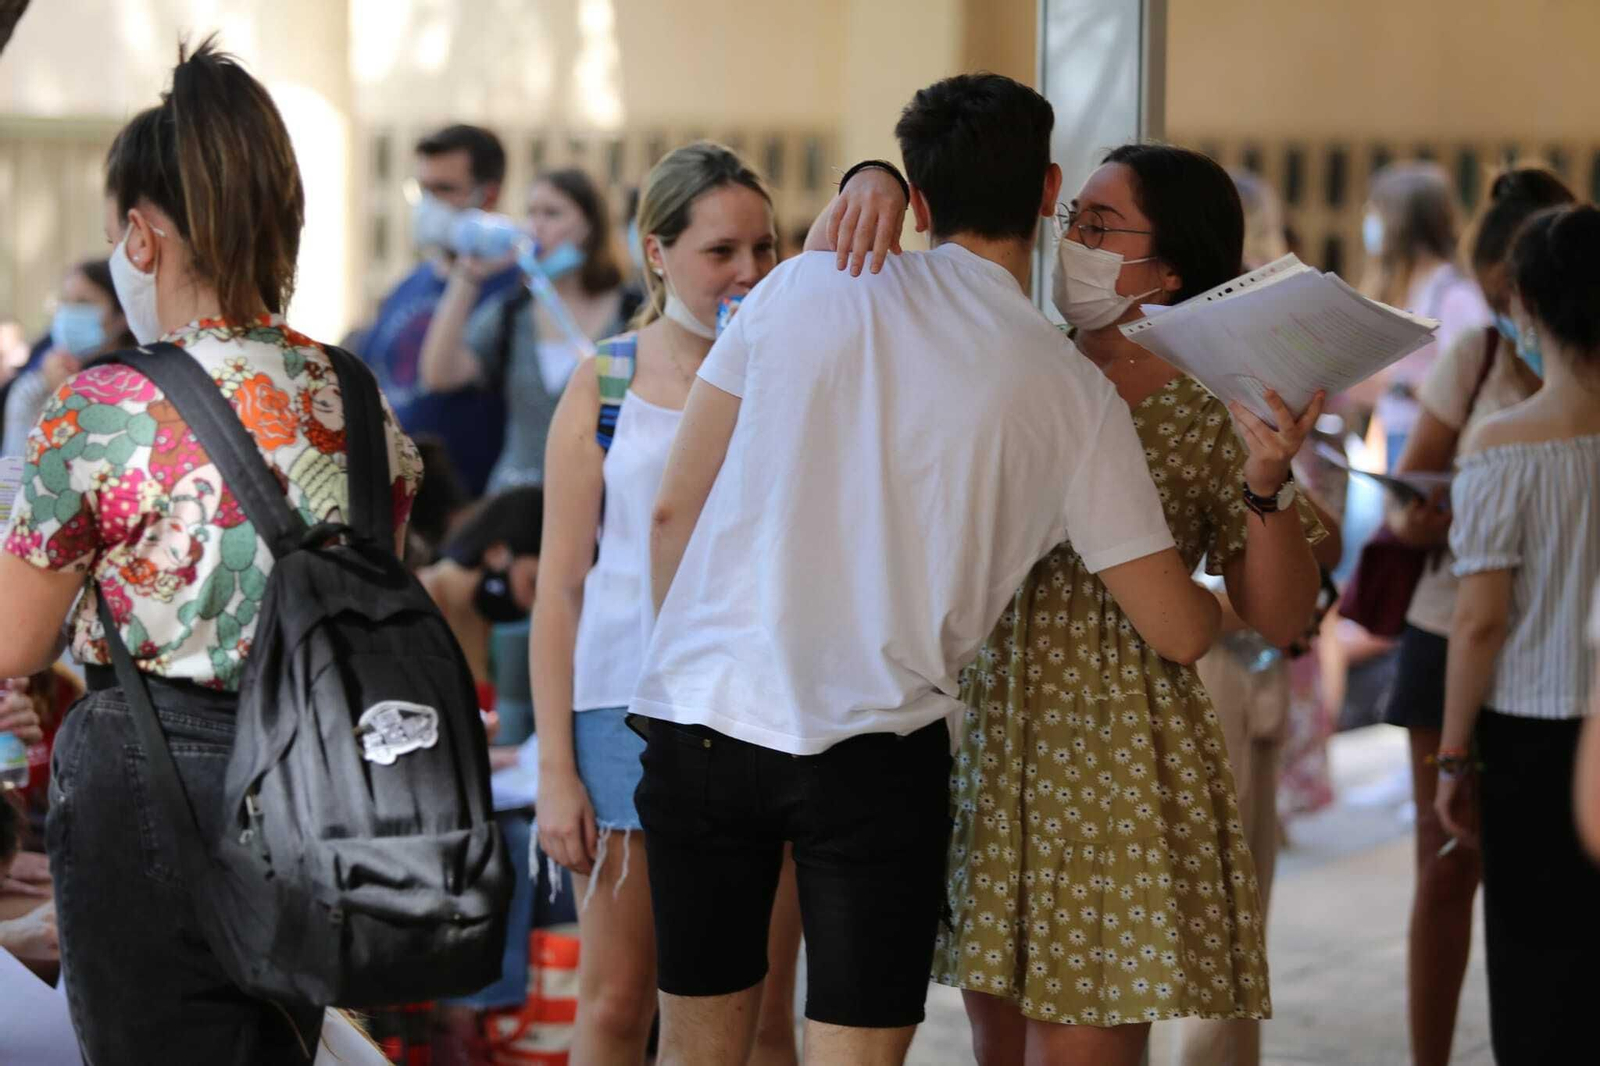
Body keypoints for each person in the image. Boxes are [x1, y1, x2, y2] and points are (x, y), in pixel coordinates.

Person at [633, 77, 1226, 1066]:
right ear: (1046, 189)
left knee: (695, 1049)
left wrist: (684, 665)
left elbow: (669, 509)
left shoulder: (796, 289)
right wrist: (1229, 597)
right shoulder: (1070, 392)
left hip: (704, 716)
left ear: (912, 195)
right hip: (879, 748)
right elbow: (1173, 627)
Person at [830, 143, 1326, 1065]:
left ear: (1170, 266)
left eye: (1101, 228)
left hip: (1125, 746)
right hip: (998, 722)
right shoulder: (1019, 365)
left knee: (1085, 1048)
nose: (1074, 246)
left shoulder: (1223, 399)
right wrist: (877, 178)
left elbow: (1282, 615)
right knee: (1001, 1045)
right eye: (1072, 223)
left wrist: (1266, 482)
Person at [0, 38, 423, 1062]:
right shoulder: (361, 405)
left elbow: (14, 642)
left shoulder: (103, 407)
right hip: (315, 790)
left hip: (143, 784)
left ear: (141, 236)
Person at [530, 142, 800, 1066]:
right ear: (657, 253)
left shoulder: (792, 380)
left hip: (769, 716)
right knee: (614, 1005)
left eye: (766, 248)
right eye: (722, 251)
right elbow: (560, 589)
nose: (751, 271)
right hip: (625, 717)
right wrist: (556, 770)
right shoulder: (606, 381)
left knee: (762, 1013)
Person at [1378, 166, 1572, 1066]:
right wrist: (1434, 510)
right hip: (1454, 622)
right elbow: (1406, 503)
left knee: (1540, 888)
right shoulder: (1479, 356)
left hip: (1546, 646)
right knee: (1447, 866)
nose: (1514, 315)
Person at [1435, 203, 1600, 1063]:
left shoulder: (1503, 446)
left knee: (1540, 973)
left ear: (1526, 304)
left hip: (1533, 742)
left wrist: (1454, 753)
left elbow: (1480, 618)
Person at [419, 168, 639, 494]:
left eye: (552, 213)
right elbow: (439, 374)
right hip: (514, 506)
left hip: (602, 500)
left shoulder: (631, 313)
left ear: (591, 227)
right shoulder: (514, 311)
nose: (535, 227)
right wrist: (468, 277)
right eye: (531, 213)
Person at [361, 124, 520, 496]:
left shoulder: (515, 290)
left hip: (467, 510)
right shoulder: (407, 286)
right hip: (396, 503)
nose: (429, 205)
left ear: (489, 195)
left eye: (444, 190)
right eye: (423, 189)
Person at [1362, 162, 1492, 469]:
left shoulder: (1455, 294)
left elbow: (1469, 379)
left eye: (1374, 212)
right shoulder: (1408, 286)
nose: (1367, 222)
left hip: (1430, 444)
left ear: (1401, 222)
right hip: (1395, 434)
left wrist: (1398, 386)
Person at [2, 259, 135, 458]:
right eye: (65, 301)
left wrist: (68, 400)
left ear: (121, 315)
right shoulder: (38, 381)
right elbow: (13, 473)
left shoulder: (136, 384)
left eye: (83, 303)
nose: (69, 312)